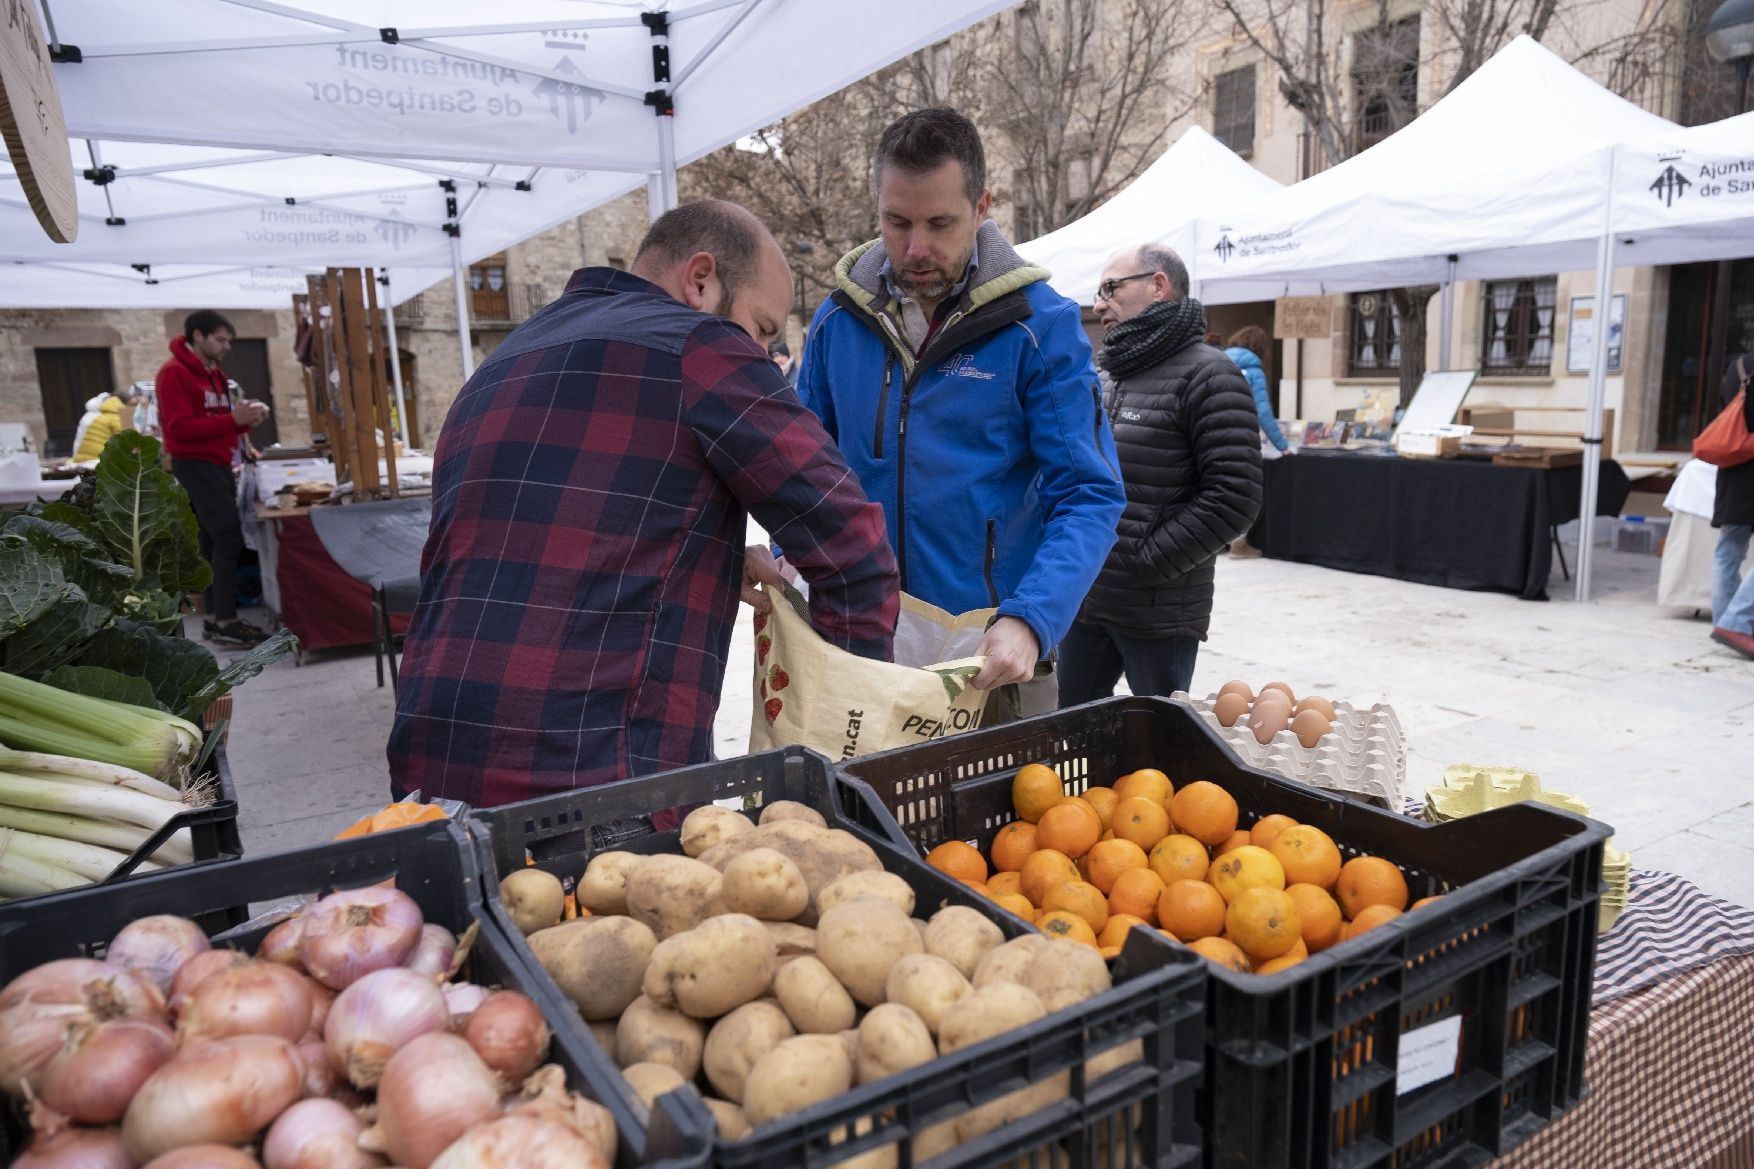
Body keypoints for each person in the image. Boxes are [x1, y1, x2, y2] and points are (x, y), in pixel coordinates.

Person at [388, 200, 900, 811]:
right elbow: (853, 549)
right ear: (701, 279)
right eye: (763, 329)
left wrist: (706, 552)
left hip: (429, 771)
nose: (766, 356)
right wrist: (848, 759)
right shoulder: (701, 347)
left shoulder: (501, 362)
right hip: (598, 785)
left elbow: (546, 532)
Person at [797, 108, 1124, 713]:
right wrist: (787, 560)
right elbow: (800, 474)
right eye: (897, 222)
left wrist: (1033, 618)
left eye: (940, 223)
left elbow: (1089, 493)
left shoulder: (1039, 326)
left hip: (991, 657)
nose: (916, 248)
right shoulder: (838, 322)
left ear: (981, 208)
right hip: (856, 650)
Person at [1057, 244, 1263, 705]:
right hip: (1087, 596)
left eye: (1111, 287)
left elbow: (1235, 498)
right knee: (1070, 727)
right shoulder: (1110, 375)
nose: (1098, 303)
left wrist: (1147, 560)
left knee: (1158, 744)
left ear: (1158, 285)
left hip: (1157, 608)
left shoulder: (1212, 375)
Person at [156, 310, 273, 648]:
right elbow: (178, 429)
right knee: (227, 538)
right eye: (220, 339)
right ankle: (225, 619)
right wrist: (232, 420)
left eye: (228, 340)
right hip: (195, 464)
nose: (227, 346)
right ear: (198, 336)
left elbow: (221, 420)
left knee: (211, 542)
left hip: (220, 463)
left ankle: (212, 620)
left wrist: (245, 420)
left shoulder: (215, 375)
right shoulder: (173, 374)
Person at [1224, 324, 1288, 559]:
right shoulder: (1253, 368)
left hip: (1212, 436)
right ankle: (1239, 544)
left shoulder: (1218, 360)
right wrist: (1282, 445)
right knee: (1244, 491)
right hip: (1240, 438)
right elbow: (1263, 411)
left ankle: (1221, 542)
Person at [1711, 352, 1754, 660]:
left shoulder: (1736, 366)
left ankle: (1724, 622)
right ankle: (1735, 624)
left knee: (1727, 552)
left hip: (1732, 471)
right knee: (1728, 551)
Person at [71, 385, 142, 463]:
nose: (133, 408)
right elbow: (129, 439)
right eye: (131, 405)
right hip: (98, 460)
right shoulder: (116, 414)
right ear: (122, 403)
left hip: (81, 458)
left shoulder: (91, 413)